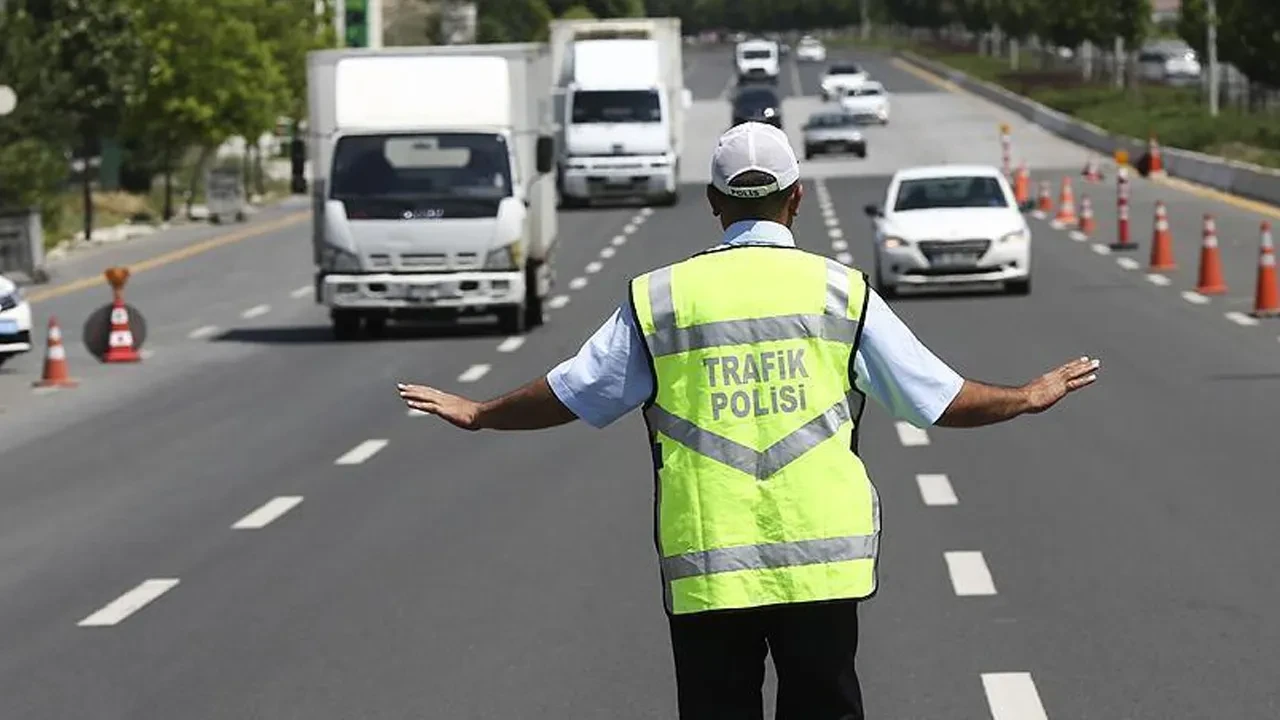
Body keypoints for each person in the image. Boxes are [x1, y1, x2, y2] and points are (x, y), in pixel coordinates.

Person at [397, 122, 1101, 720]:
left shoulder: (662, 298)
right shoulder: (839, 291)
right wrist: (1026, 395)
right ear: (796, 199)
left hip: (709, 562)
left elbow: (574, 391)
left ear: (713, 203)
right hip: (822, 565)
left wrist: (480, 412)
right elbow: (936, 399)